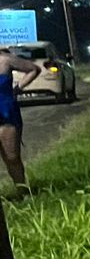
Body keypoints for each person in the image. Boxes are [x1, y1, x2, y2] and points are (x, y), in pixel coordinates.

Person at [0, 47, 41, 191]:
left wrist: (18, 88)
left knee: (12, 157)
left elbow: (33, 69)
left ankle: (22, 190)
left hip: (6, 112)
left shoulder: (5, 59)